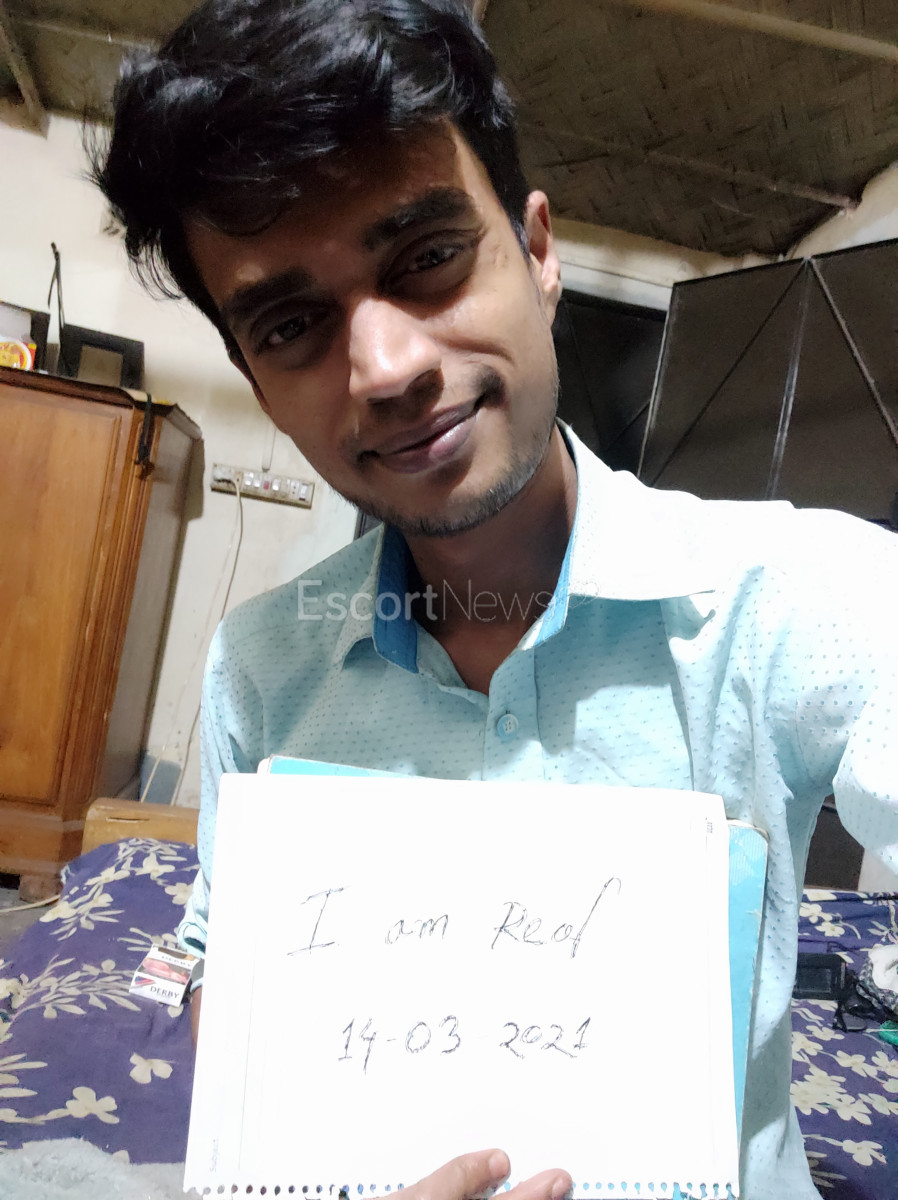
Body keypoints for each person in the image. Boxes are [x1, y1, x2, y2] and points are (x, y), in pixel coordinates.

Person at [92, 2, 898, 1197]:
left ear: (538, 253)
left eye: (425, 257)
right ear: (257, 382)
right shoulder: (260, 665)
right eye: (292, 324)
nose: (386, 369)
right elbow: (220, 955)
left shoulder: (792, 599)